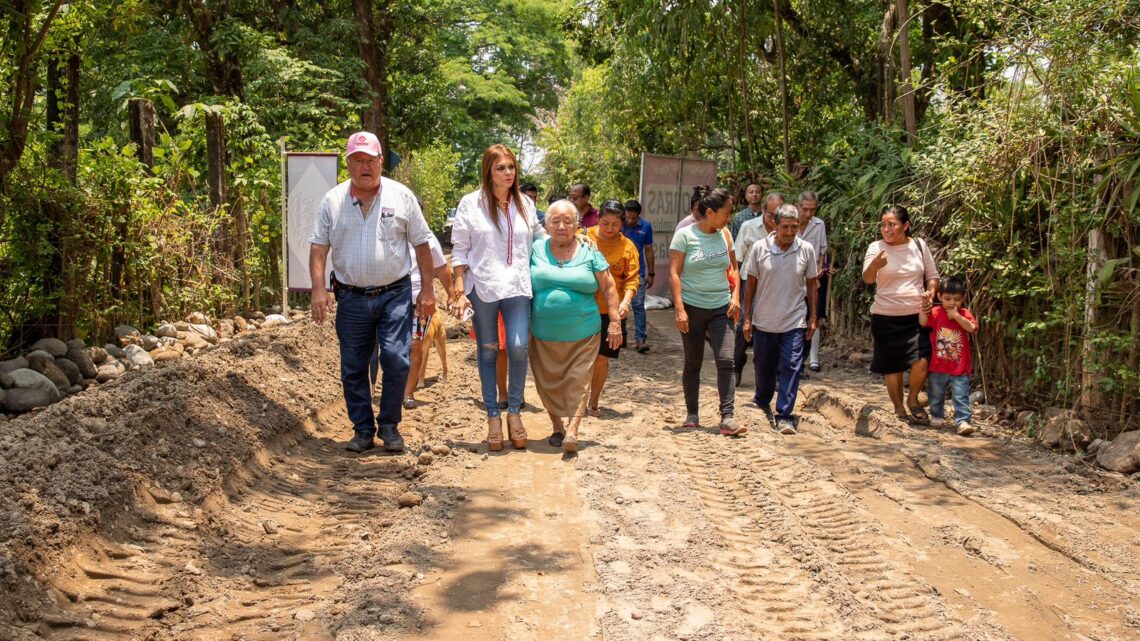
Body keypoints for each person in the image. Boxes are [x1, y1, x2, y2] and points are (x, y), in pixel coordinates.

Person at [309, 131, 435, 453]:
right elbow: (318, 249)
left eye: (370, 160)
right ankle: (362, 430)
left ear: (381, 162)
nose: (365, 167)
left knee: (395, 358)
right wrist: (318, 289)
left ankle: (389, 426)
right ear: (348, 164)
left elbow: (422, 245)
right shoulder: (332, 201)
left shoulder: (401, 196)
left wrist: (427, 292)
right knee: (353, 365)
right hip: (350, 297)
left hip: (394, 293)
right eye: (357, 161)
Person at [451, 144, 543, 451]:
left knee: (518, 346)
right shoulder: (471, 203)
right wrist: (458, 290)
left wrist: (572, 239)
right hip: (483, 287)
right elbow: (460, 250)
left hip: (518, 285)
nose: (507, 173)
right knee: (488, 350)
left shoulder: (525, 204)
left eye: (511, 167)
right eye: (500, 168)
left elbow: (540, 236)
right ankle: (493, 415)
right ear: (488, 170)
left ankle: (514, 412)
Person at [530, 201, 622, 452]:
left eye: (568, 221)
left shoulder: (589, 251)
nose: (561, 226)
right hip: (543, 332)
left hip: (584, 331)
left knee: (579, 379)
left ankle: (572, 430)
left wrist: (614, 322)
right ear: (546, 225)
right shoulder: (535, 249)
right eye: (555, 221)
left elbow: (609, 286)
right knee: (547, 380)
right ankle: (557, 426)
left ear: (577, 225)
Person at [670, 186, 746, 436]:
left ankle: (727, 417)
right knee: (694, 361)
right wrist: (679, 309)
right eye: (726, 212)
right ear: (711, 212)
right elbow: (674, 273)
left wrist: (735, 296)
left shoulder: (725, 234)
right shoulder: (684, 235)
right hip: (692, 307)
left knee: (726, 360)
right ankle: (692, 413)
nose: (729, 217)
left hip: (721, 307)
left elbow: (734, 268)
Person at [742, 205, 819, 434]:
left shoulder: (806, 249)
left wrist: (813, 315)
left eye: (794, 227)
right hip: (765, 319)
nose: (789, 231)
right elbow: (751, 285)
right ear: (774, 225)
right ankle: (762, 398)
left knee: (791, 365)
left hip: (794, 319)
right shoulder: (759, 248)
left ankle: (784, 414)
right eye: (785, 226)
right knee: (764, 365)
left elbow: (813, 284)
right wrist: (747, 317)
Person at [862, 205, 940, 423]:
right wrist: (875, 265)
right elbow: (868, 279)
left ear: (905, 226)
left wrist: (931, 292)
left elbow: (932, 276)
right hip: (885, 316)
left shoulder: (918, 245)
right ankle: (899, 409)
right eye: (883, 224)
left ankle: (913, 400)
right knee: (892, 365)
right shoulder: (876, 247)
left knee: (922, 358)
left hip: (916, 315)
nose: (886, 229)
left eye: (892, 225)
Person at [587, 200, 640, 415]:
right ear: (598, 219)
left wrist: (626, 302)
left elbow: (632, 279)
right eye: (605, 223)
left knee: (601, 357)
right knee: (579, 356)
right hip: (583, 308)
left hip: (611, 310)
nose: (609, 229)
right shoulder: (583, 237)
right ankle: (574, 399)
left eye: (615, 225)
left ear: (622, 224)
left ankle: (593, 401)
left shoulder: (628, 246)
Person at [732, 191, 784, 385]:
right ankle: (736, 367)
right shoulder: (748, 227)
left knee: (778, 327)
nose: (774, 220)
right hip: (749, 283)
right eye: (771, 215)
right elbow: (736, 260)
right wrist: (734, 291)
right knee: (741, 327)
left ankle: (775, 374)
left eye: (778, 216)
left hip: (777, 285)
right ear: (763, 211)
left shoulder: (787, 230)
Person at [402, 231, 454, 408]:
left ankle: (408, 393)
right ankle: (394, 388)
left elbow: (441, 267)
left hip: (421, 304)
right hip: (391, 302)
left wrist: (452, 294)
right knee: (393, 349)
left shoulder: (427, 238)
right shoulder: (386, 233)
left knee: (417, 346)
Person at [920, 275, 977, 436]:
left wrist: (957, 316)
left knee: (961, 396)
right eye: (947, 299)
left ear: (963, 299)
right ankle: (937, 415)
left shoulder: (965, 314)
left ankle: (963, 421)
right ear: (939, 297)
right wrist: (924, 306)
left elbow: (972, 328)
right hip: (938, 367)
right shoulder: (936, 313)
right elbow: (923, 322)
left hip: (960, 367)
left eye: (957, 299)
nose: (952, 303)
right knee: (936, 394)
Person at [796, 191, 829, 373]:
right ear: (797, 206)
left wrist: (820, 270)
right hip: (792, 279)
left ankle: (812, 358)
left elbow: (823, 250)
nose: (808, 214)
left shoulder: (819, 224)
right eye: (805, 209)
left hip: (812, 279)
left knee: (813, 315)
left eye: (812, 210)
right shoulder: (789, 223)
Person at [622, 199, 655, 353]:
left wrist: (651, 273)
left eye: (633, 218)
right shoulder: (618, 225)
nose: (630, 220)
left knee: (638, 305)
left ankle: (640, 339)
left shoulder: (646, 226)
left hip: (638, 272)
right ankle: (621, 336)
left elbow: (648, 250)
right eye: (627, 217)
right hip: (617, 271)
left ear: (639, 216)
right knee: (618, 304)